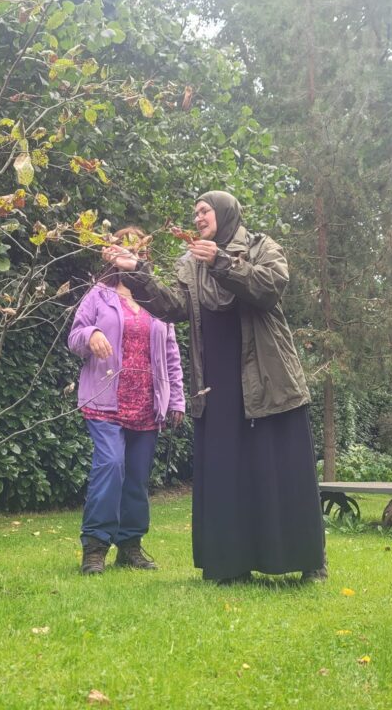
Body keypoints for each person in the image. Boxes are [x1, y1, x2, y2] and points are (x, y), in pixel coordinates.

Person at [102, 192, 327, 584]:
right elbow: (172, 307)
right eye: (195, 212)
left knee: (280, 470)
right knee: (229, 472)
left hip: (268, 379)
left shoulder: (260, 247)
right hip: (217, 384)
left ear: (225, 213)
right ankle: (230, 564)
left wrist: (222, 262)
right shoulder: (190, 263)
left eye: (205, 210)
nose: (198, 216)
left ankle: (309, 562)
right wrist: (137, 271)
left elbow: (268, 288)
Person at [68, 226, 186, 575]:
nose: (130, 253)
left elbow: (171, 353)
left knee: (135, 476)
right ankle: (95, 547)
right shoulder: (98, 295)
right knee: (111, 466)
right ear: (113, 254)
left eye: (136, 248)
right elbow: (74, 335)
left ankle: (130, 546)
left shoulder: (156, 300)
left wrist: (176, 399)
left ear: (142, 257)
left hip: (147, 403)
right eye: (123, 247)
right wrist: (92, 334)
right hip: (105, 400)